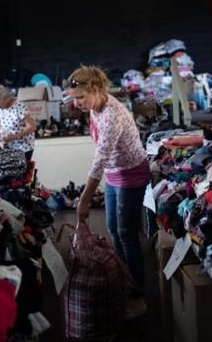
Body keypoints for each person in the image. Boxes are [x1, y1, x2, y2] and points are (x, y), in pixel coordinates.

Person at [66, 65, 151, 319]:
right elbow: (103, 157)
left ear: (96, 90)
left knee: (126, 234)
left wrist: (84, 199)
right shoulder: (95, 107)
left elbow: (100, 159)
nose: (76, 103)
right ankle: (124, 283)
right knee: (114, 229)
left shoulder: (112, 114)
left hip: (131, 175)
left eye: (80, 97)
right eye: (73, 97)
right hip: (115, 173)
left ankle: (139, 296)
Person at [0, 85, 36, 160]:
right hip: (9, 146)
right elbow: (2, 120)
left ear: (5, 99)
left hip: (23, 147)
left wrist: (15, 136)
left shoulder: (19, 107)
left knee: (19, 171)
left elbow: (32, 126)